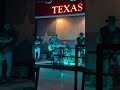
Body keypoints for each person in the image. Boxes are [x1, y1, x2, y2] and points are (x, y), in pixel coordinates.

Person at [97, 16, 120, 89]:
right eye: (111, 21)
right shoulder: (102, 30)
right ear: (108, 22)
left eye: (113, 21)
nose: (112, 23)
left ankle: (116, 83)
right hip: (106, 52)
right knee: (105, 69)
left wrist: (118, 51)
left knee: (119, 65)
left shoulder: (118, 30)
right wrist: (104, 51)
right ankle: (107, 85)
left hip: (116, 52)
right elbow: (99, 42)